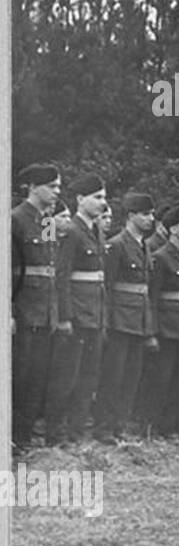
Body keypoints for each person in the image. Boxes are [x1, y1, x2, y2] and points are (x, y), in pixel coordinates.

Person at [48, 174, 109, 446]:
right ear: (80, 199)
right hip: (76, 316)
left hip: (94, 314)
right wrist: (65, 317)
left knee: (88, 377)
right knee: (66, 377)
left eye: (104, 197)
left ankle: (75, 432)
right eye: (97, 197)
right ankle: (55, 434)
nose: (102, 203)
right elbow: (61, 277)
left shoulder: (96, 230)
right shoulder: (70, 230)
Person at [93, 192, 157, 445]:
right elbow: (106, 287)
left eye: (151, 214)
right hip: (119, 320)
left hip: (138, 320)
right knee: (114, 376)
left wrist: (149, 327)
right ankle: (104, 427)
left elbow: (146, 290)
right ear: (131, 216)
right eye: (145, 214)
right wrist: (106, 323)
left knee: (131, 377)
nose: (150, 219)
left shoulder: (145, 246)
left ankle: (119, 425)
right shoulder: (117, 245)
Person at [11, 163, 62, 451]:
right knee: (20, 376)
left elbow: (50, 270)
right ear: (32, 187)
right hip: (23, 312)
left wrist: (53, 313)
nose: (57, 192)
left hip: (44, 314)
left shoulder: (47, 222)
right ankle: (11, 438)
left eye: (58, 186)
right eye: (52, 186)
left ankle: (24, 438)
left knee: (37, 378)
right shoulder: (15, 219)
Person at [146, 203, 179, 438]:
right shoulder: (161, 257)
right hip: (167, 329)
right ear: (174, 229)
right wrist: (153, 332)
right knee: (162, 380)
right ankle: (154, 426)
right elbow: (153, 298)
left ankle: (170, 426)